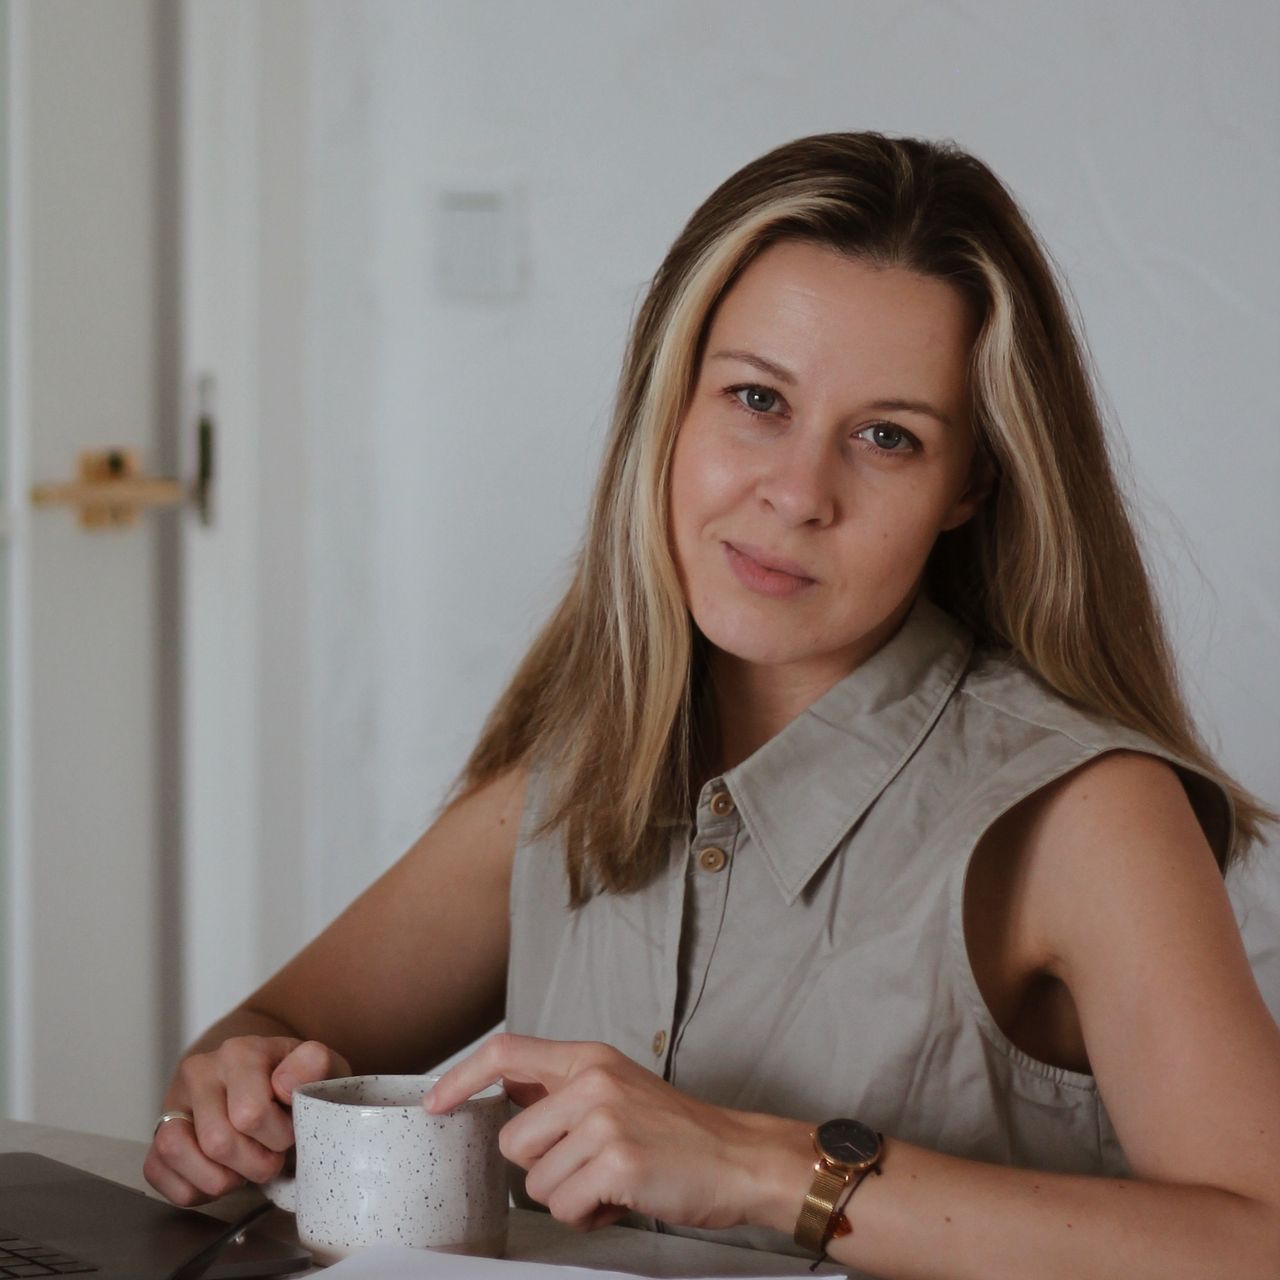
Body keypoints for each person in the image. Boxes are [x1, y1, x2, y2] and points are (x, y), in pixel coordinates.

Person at [144, 132, 1280, 1278]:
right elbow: (266, 1034)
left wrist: (764, 1164)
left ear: (970, 484)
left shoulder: (1085, 809)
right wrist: (232, 1090)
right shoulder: (579, 765)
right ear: (668, 404)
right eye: (755, 398)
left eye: (887, 436)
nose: (795, 492)